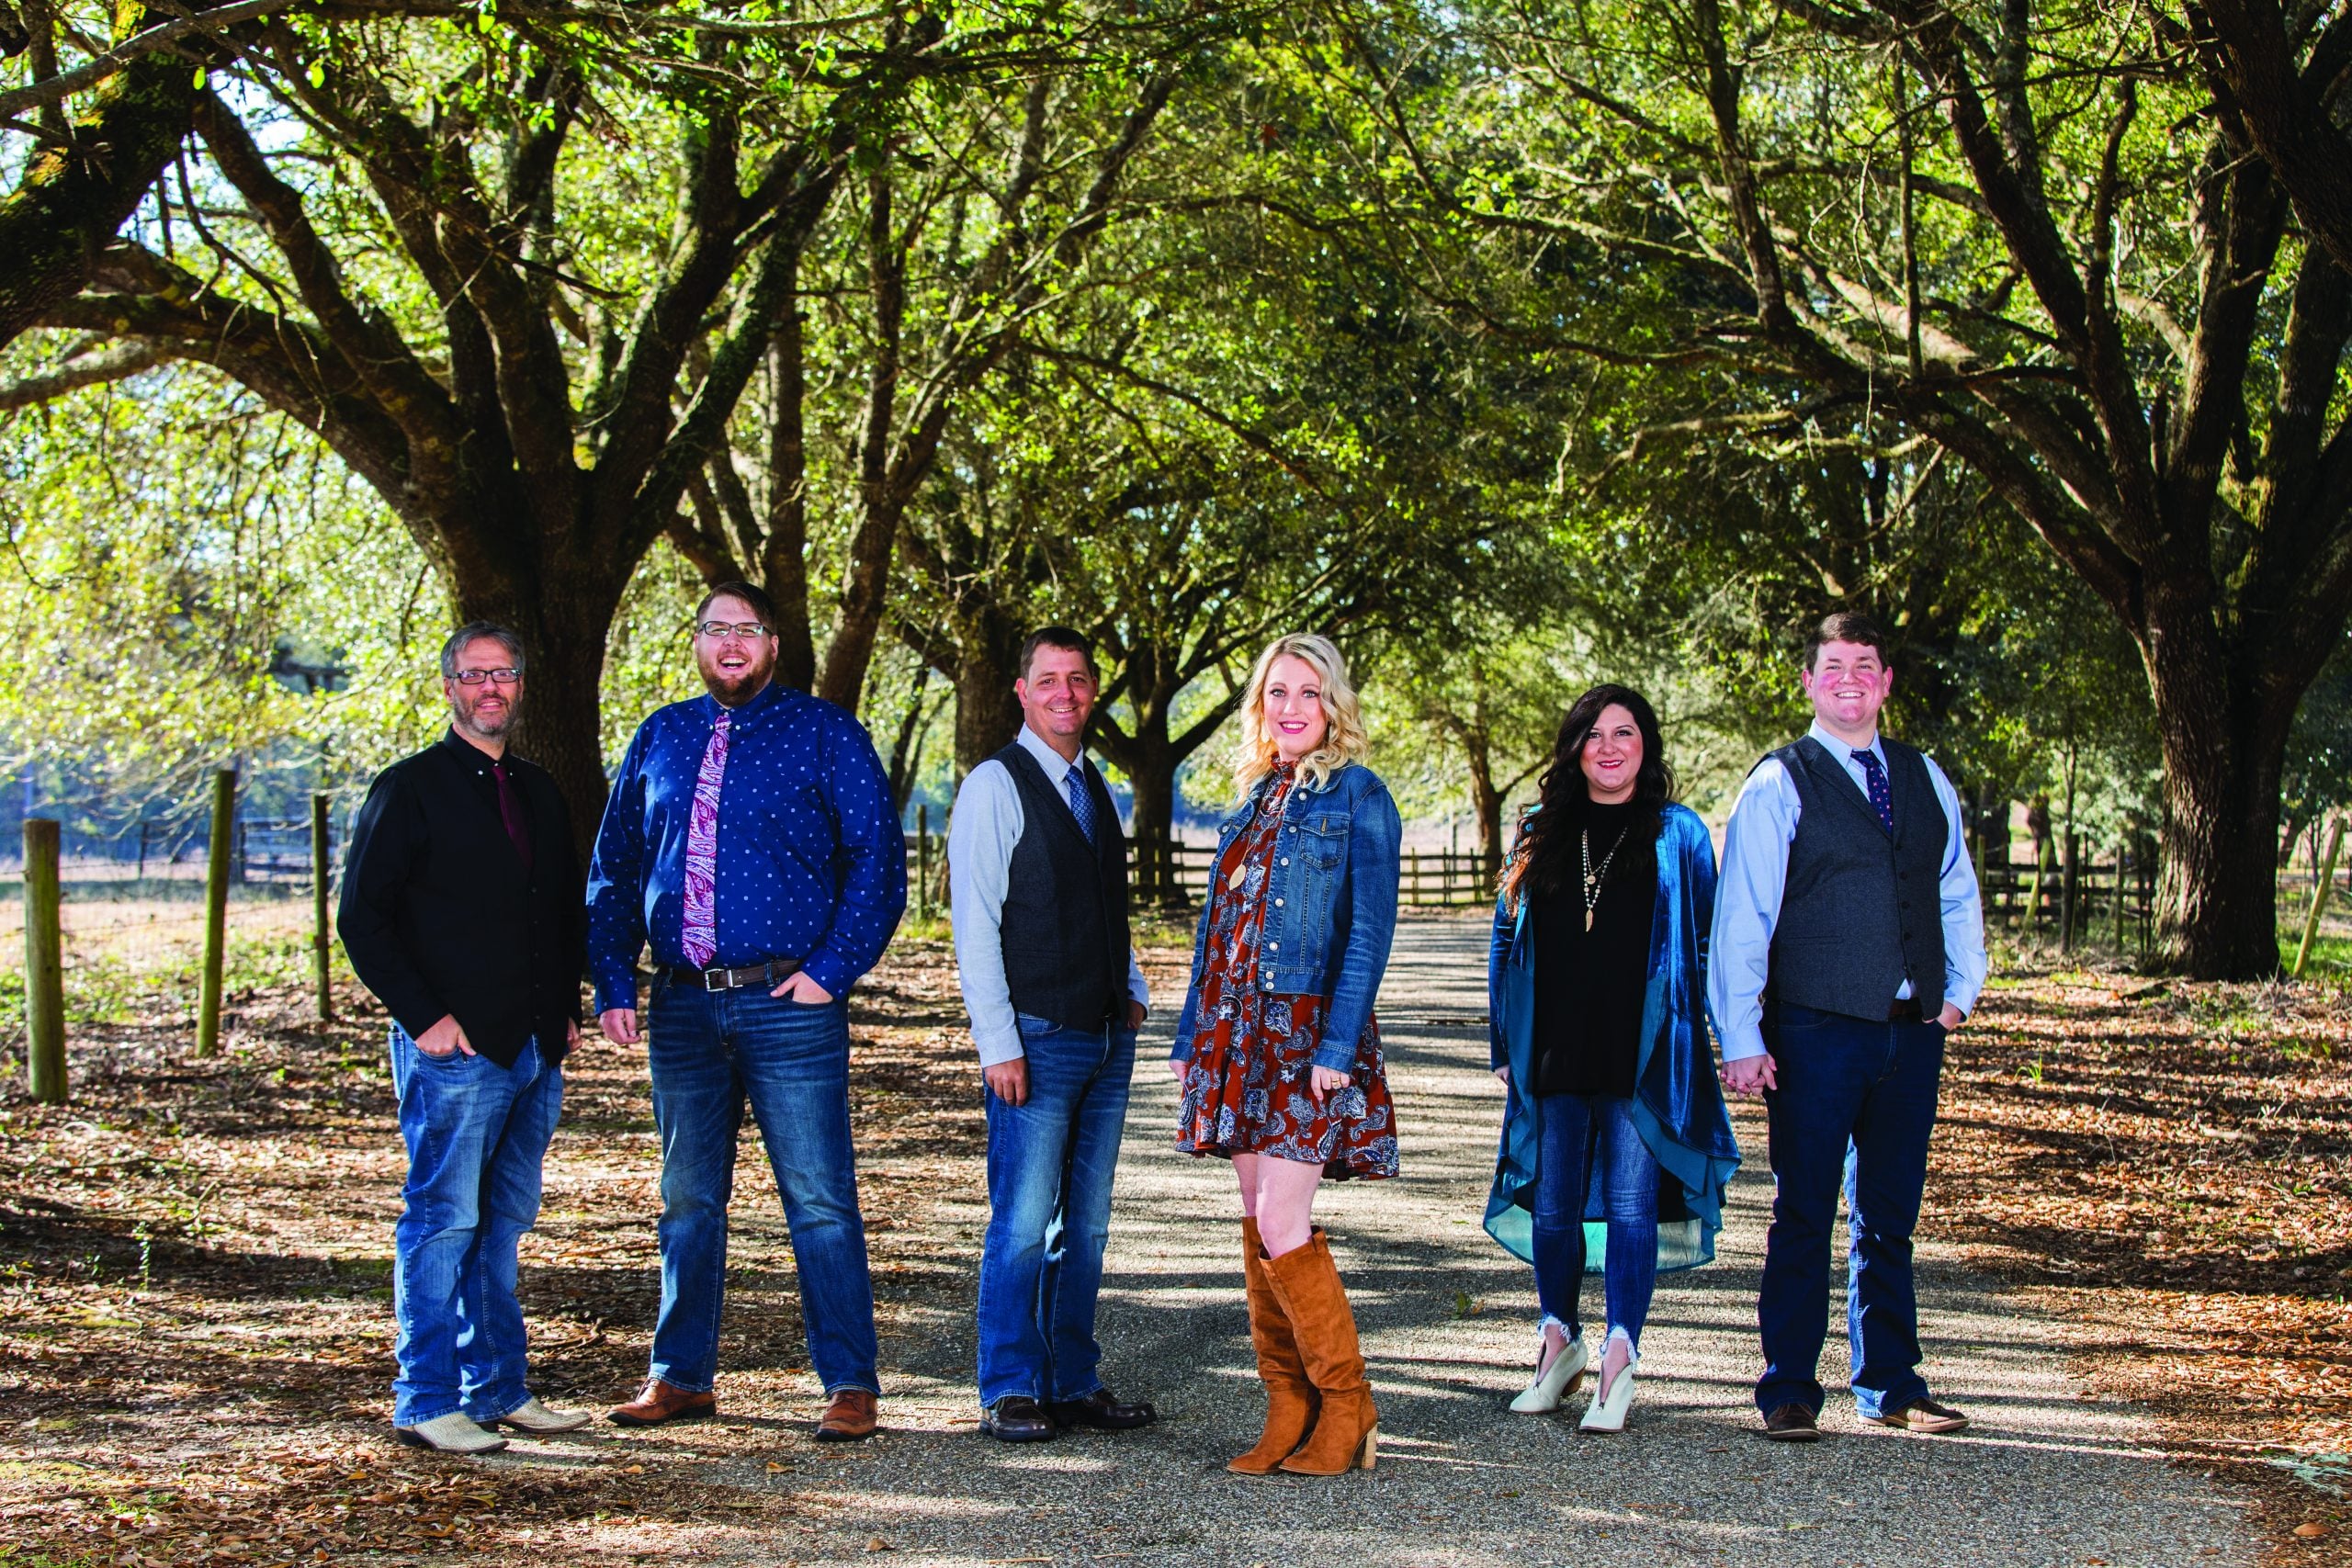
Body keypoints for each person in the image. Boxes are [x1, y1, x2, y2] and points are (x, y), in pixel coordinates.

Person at [586, 581, 907, 1442]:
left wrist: (831, 972)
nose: (730, 642)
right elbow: (614, 864)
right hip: (682, 1006)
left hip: (788, 1003)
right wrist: (614, 980)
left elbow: (877, 858)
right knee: (687, 1198)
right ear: (697, 643)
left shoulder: (825, 733)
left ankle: (849, 1383)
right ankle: (679, 1376)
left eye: (747, 629)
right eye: (714, 629)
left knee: (819, 1198)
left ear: (774, 643)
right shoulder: (660, 736)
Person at [1709, 611, 1987, 1442]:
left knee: (1889, 1216)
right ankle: (1789, 1386)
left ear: (1886, 680)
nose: (1850, 679)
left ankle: (1893, 1383)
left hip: (1911, 1030)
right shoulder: (1779, 781)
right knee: (1805, 1210)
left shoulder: (1926, 776)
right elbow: (1743, 919)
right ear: (1808, 680)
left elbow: (1956, 889)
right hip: (1814, 1027)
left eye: (1865, 664)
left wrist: (1958, 993)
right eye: (1834, 665)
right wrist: (1745, 1036)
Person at [338, 621, 590, 1454]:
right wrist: (425, 1018)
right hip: (455, 1050)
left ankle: (500, 1389)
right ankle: (425, 1397)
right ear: (450, 685)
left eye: (505, 674)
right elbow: (362, 920)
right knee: (442, 1220)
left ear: (521, 685)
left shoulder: (541, 791)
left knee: (504, 1220)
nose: (491, 688)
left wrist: (563, 1010)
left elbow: (556, 914)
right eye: (475, 674)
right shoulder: (407, 789)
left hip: (530, 1049)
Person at [1170, 632, 1401, 1477]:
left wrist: (1338, 1042)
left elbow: (1370, 929)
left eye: (1309, 692)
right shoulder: (1254, 799)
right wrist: (1194, 1032)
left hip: (1307, 1039)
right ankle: (1288, 1404)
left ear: (1331, 703)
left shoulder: (1359, 796)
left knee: (1282, 1220)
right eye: (1278, 693)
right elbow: (1217, 928)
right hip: (1237, 1036)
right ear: (1261, 707)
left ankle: (1348, 1405)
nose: (1293, 708)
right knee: (1258, 1226)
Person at [1483, 684, 1739, 1433]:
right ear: (1574, 748)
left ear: (1646, 746)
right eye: (1593, 734)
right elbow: (1506, 940)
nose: (1609, 746)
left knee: (1632, 1204)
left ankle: (1621, 1356)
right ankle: (1557, 1339)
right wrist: (1503, 1042)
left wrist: (1716, 1042)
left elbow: (1705, 945)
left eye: (1624, 733)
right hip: (1555, 1045)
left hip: (1644, 1050)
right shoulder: (1539, 830)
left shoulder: (1679, 834)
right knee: (1555, 1204)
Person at [948, 626, 1158, 1443]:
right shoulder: (994, 786)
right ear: (1022, 691)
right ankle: (1009, 1385)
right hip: (1034, 1037)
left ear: (1092, 690)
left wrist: (1133, 991)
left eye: (1077, 680)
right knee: (1024, 1218)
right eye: (1048, 679)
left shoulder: (1092, 783)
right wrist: (996, 1041)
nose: (1064, 693)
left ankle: (1073, 1380)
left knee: (1090, 1223)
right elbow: (976, 925)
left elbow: (1110, 902)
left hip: (1106, 1037)